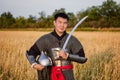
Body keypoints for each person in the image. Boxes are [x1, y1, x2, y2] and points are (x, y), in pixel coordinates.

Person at [26, 12, 87, 80]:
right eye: (59, 22)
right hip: (50, 75)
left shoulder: (72, 40)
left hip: (67, 76)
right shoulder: (45, 39)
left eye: (65, 23)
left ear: (67, 24)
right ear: (54, 23)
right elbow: (31, 53)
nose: (62, 25)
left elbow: (83, 58)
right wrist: (34, 64)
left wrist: (68, 56)